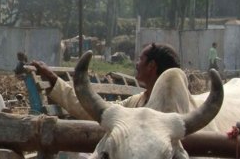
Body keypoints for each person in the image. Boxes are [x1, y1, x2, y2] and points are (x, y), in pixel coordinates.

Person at [31, 41, 183, 117]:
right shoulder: (136, 102)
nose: (136, 64)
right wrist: (54, 80)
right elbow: (97, 109)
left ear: (151, 66)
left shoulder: (173, 110)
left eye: (140, 59)